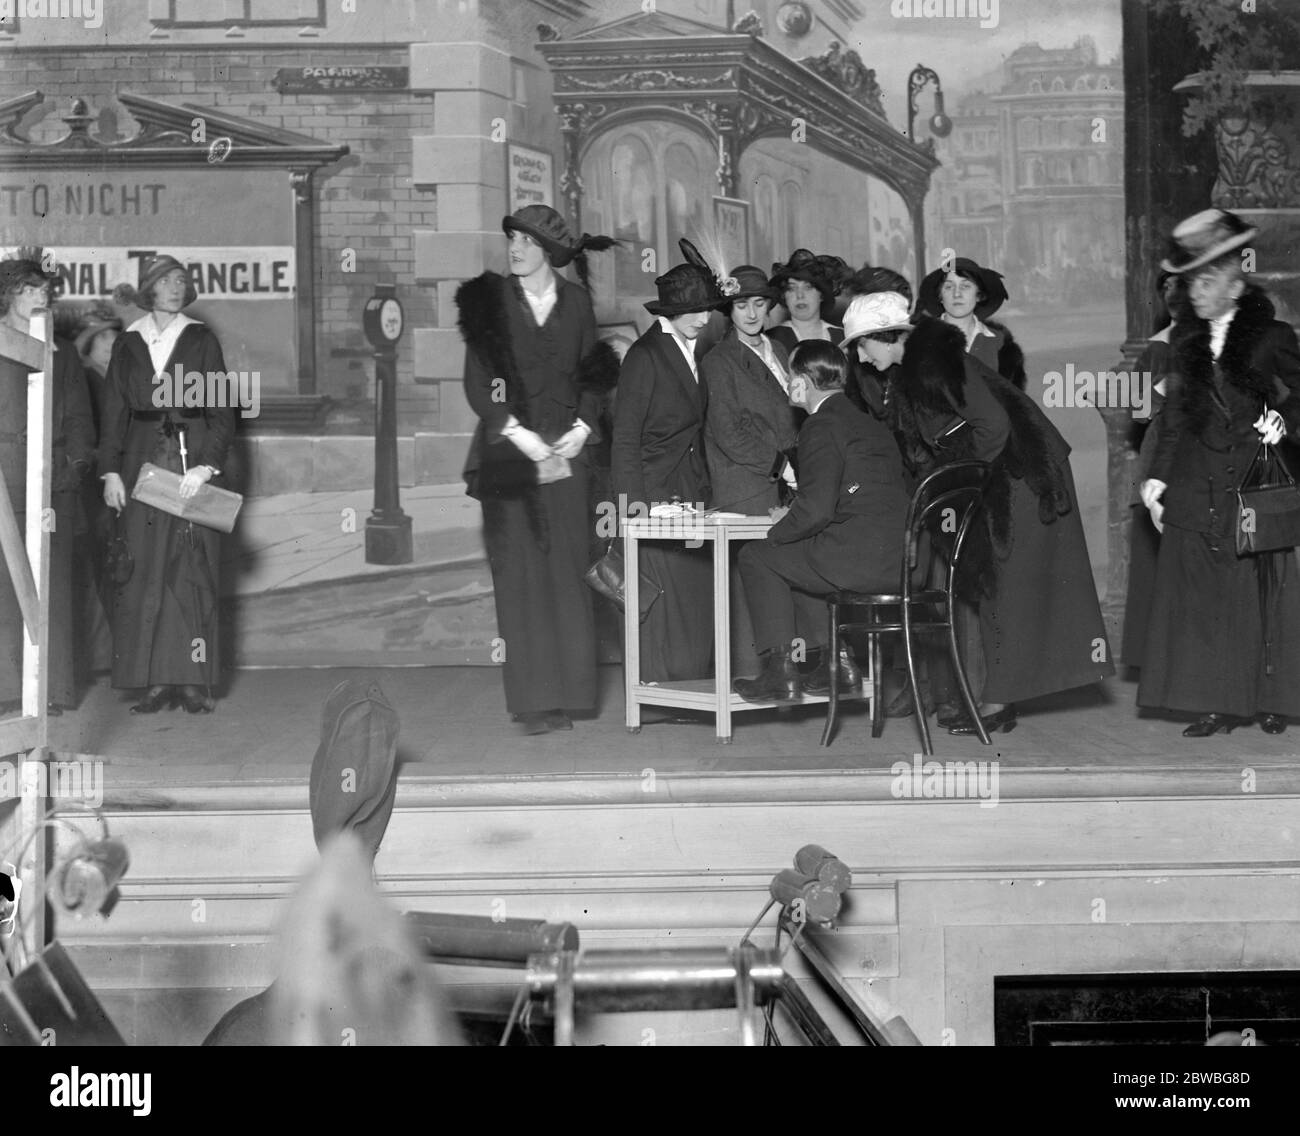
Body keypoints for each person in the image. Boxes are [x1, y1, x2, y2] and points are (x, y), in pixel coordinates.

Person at [847, 291, 1113, 735]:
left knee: (1006, 590)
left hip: (1022, 480)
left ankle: (998, 703)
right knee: (998, 590)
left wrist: (965, 488)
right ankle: (998, 700)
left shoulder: (934, 364)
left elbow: (993, 425)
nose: (859, 354)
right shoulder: (913, 370)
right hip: (1001, 479)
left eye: (862, 343)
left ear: (886, 337)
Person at [455, 205, 619, 736]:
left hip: (569, 458)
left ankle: (571, 694)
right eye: (511, 241)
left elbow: (594, 376)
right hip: (509, 457)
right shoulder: (489, 301)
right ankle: (533, 702)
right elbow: (481, 385)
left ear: (550, 253)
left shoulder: (576, 303)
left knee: (568, 574)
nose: (514, 250)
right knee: (520, 576)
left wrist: (579, 431)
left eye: (525, 243)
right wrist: (524, 439)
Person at [1138, 208, 1300, 736]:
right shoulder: (1184, 344)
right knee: (1207, 599)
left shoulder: (1272, 337)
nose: (1196, 293)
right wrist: (1157, 478)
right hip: (1198, 483)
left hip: (1254, 486)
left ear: (1233, 286)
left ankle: (1271, 699)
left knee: (1262, 597)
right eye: (1190, 283)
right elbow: (1174, 420)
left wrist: (1284, 419)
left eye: (1206, 281)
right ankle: (1219, 703)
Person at [733, 340, 912, 702]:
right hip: (901, 562)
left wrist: (778, 530)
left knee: (758, 556)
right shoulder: (869, 423)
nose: (786, 383)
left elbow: (816, 510)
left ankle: (779, 673)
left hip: (860, 562)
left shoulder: (821, 425)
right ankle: (839, 665)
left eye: (790, 375)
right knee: (799, 559)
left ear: (805, 381)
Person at [100, 254, 236, 714]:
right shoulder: (129, 342)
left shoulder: (200, 338)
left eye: (182, 280)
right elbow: (115, 410)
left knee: (191, 570)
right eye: (165, 281)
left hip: (188, 463)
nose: (176, 287)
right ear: (149, 290)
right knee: (143, 572)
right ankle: (155, 681)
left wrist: (206, 466)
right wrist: (111, 470)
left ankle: (194, 682)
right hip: (140, 465)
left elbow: (222, 411)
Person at [611, 247, 722, 684]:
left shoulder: (691, 349)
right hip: (653, 495)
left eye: (707, 310)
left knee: (689, 595)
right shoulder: (645, 355)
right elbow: (625, 437)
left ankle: (685, 688)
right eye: (693, 311)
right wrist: (631, 505)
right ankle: (656, 691)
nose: (703, 318)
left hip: (689, 492)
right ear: (671, 312)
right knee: (657, 598)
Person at [0, 257, 96, 713]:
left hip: (52, 483)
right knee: (4, 587)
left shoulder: (62, 351)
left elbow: (80, 419)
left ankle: (52, 691)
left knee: (53, 588)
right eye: (31, 289)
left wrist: (72, 471)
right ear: (9, 295)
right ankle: (7, 690)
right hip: (3, 484)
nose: (42, 297)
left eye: (45, 290)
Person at [700, 264, 799, 676]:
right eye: (742, 306)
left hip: (784, 483)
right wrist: (784, 466)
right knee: (747, 584)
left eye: (760, 304)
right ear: (729, 310)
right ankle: (747, 676)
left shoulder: (779, 350)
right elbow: (729, 432)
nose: (753, 314)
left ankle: (784, 673)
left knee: (780, 578)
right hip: (747, 485)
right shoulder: (719, 361)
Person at [1121, 270, 1184, 670]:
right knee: (1159, 562)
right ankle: (1164, 660)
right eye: (1167, 287)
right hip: (1165, 459)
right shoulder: (1157, 349)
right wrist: (1162, 389)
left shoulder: (1221, 341)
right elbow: (1137, 412)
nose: (1176, 293)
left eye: (1184, 284)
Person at [917, 257, 1027, 391]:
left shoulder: (1001, 345)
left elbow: (1013, 404)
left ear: (979, 295)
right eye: (949, 286)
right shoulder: (920, 343)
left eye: (966, 286)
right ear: (940, 296)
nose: (957, 294)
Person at [766, 249, 846, 353]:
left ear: (821, 295)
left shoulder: (843, 338)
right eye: (792, 288)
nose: (800, 295)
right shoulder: (770, 340)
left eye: (808, 287)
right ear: (784, 295)